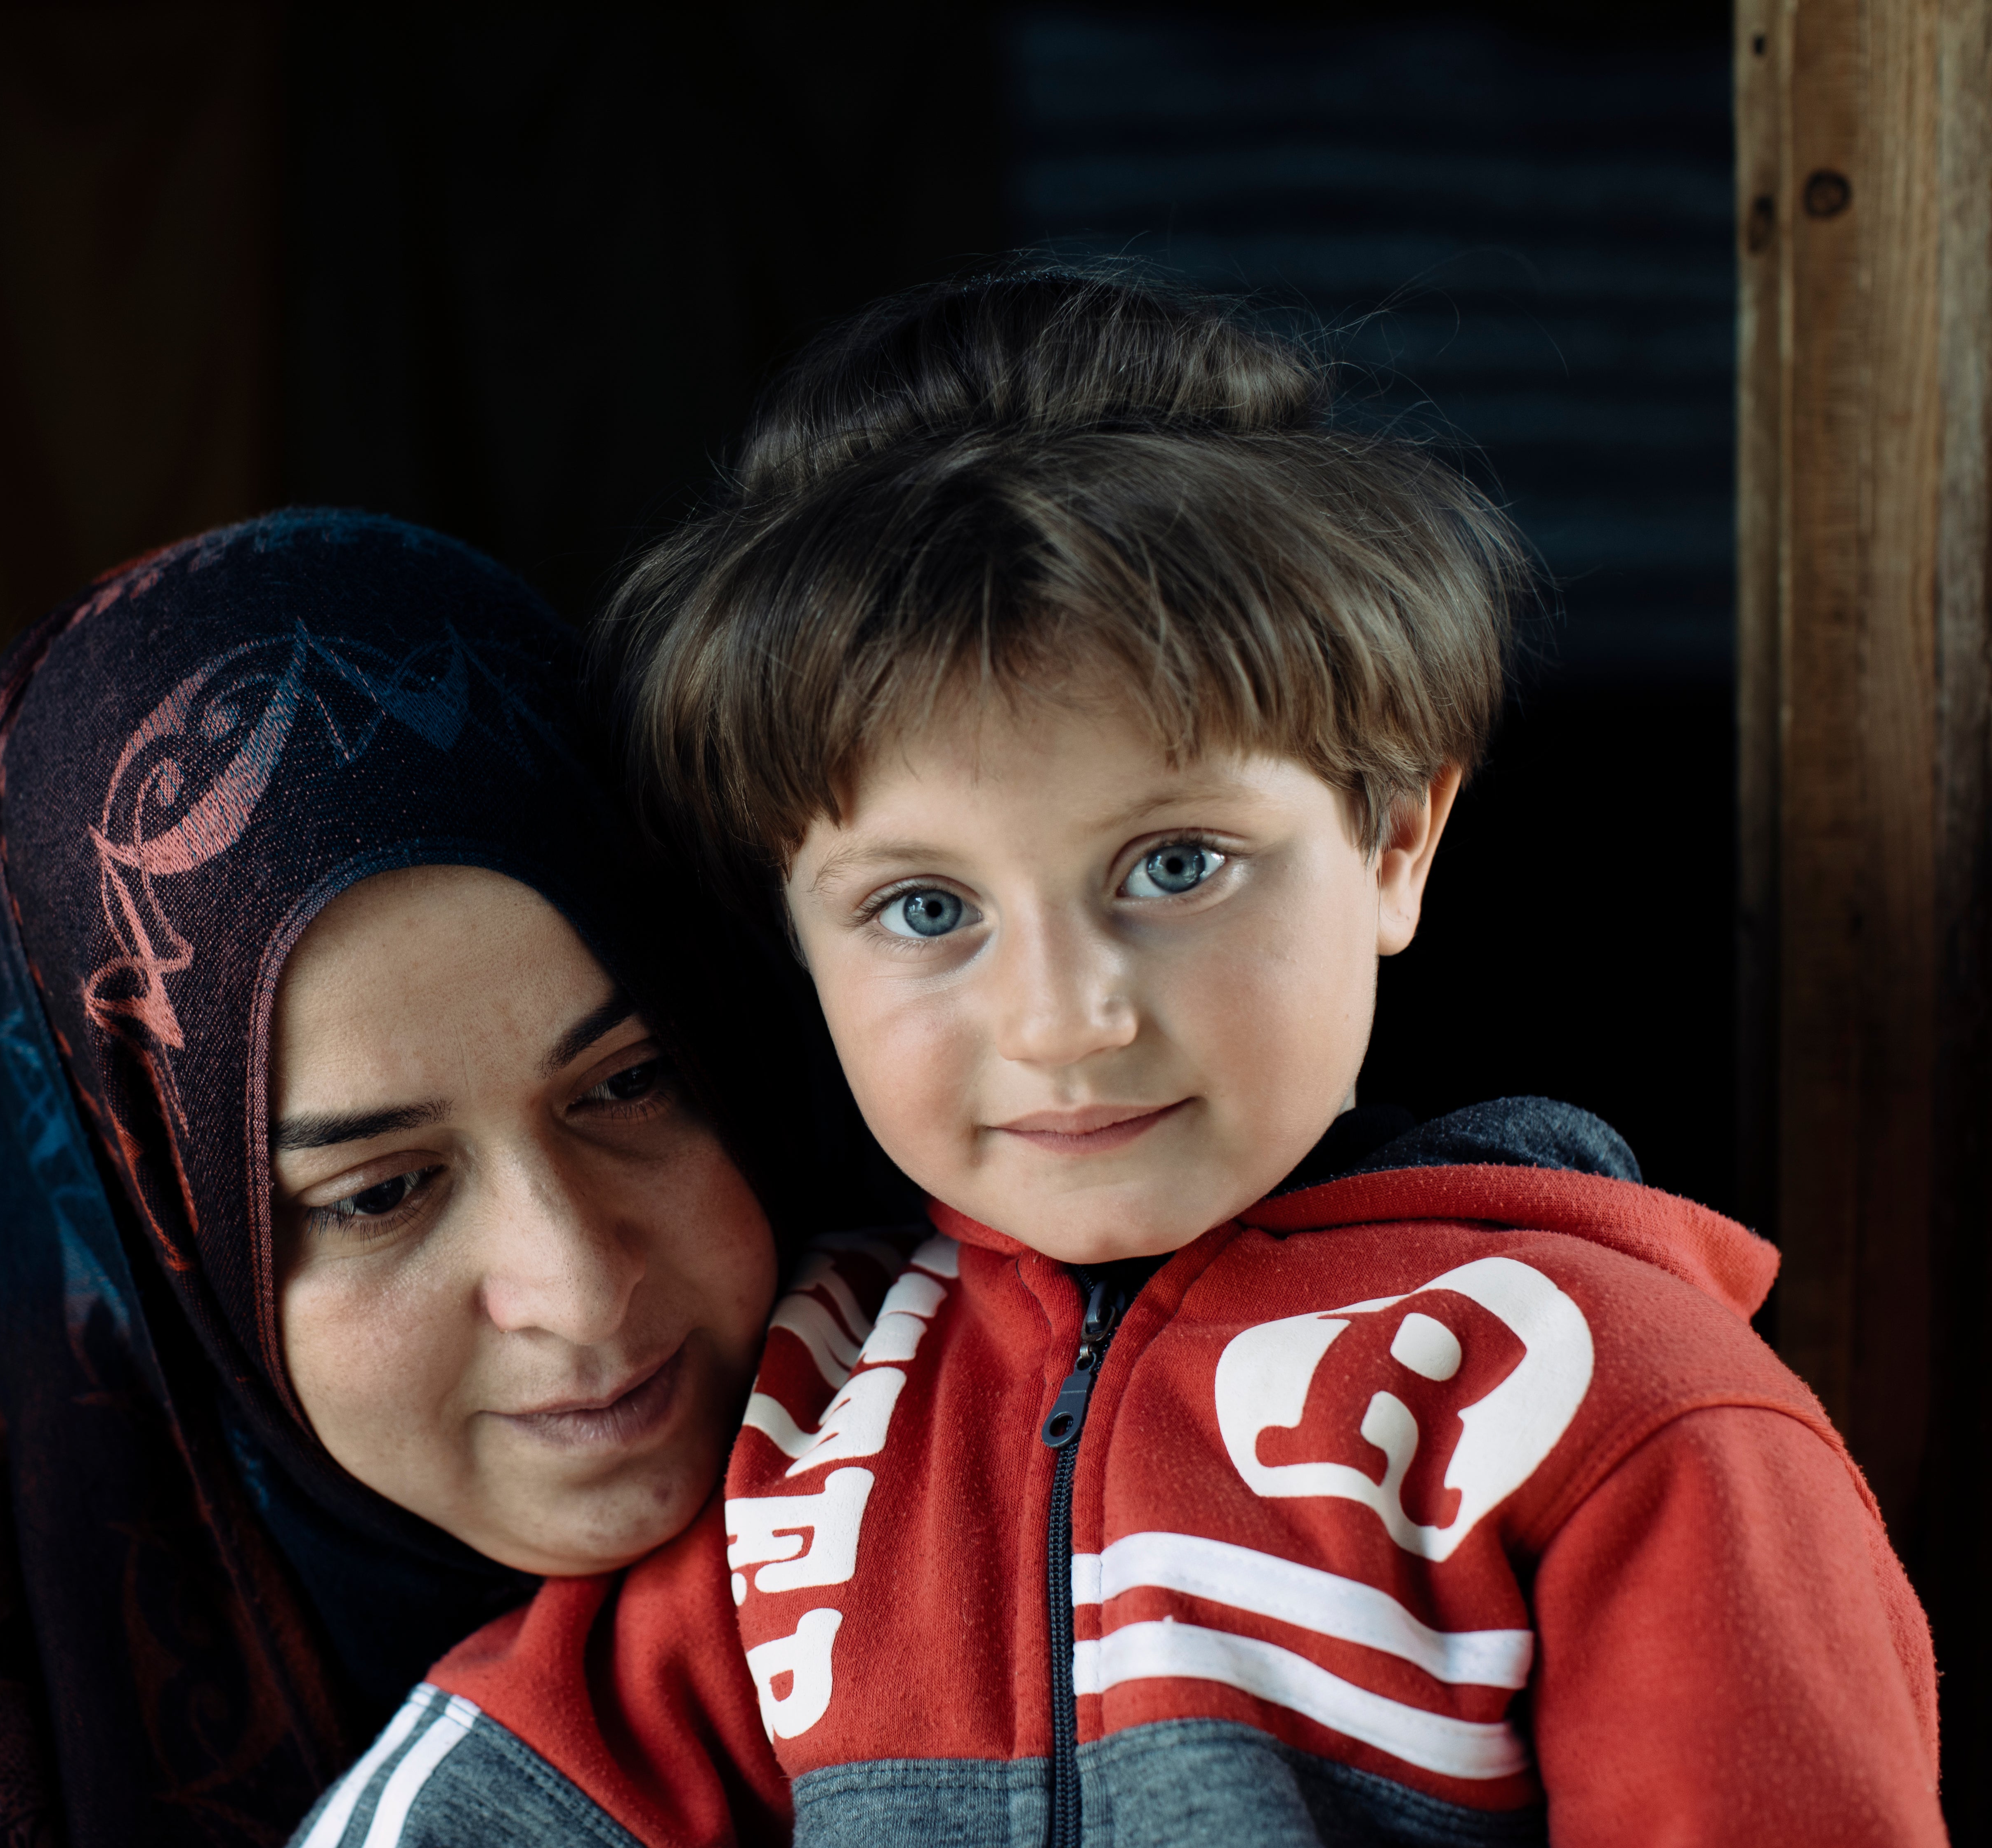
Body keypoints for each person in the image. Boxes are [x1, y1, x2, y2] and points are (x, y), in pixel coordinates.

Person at [288, 272, 1946, 1846]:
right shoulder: (813, 1420)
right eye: (926, 905)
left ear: (1392, 842)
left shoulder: (1600, 1411)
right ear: (787, 933)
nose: (1066, 1016)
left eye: (1174, 866)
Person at [0, 509, 816, 1848]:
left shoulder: (1022, 1446)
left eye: (627, 1084)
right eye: (380, 1193)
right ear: (165, 1239)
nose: (583, 1287)